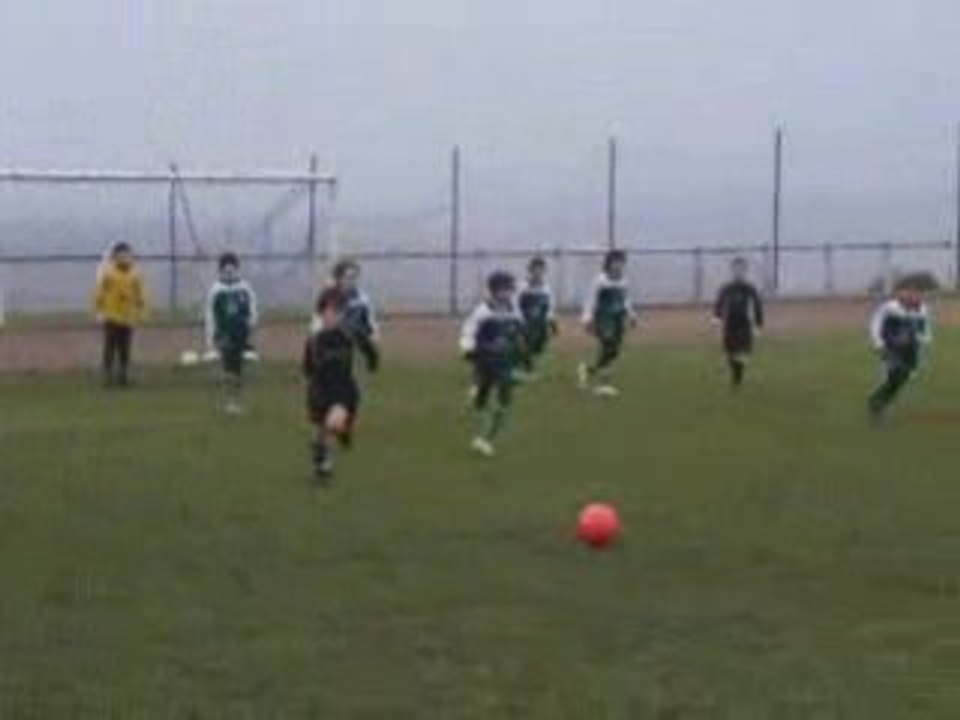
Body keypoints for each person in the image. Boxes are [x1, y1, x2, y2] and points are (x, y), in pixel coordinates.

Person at [303, 287, 376, 482]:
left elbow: (368, 348)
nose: (331, 317)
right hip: (320, 390)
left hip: (343, 389)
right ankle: (324, 459)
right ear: (320, 313)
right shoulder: (314, 338)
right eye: (327, 312)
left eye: (337, 312)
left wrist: (371, 362)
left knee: (331, 425)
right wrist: (311, 383)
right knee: (318, 436)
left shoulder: (349, 333)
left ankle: (328, 459)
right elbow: (308, 368)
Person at [460, 271, 525, 457]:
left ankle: (487, 438)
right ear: (494, 291)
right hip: (486, 360)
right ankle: (477, 392)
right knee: (482, 396)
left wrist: (521, 350)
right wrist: (467, 348)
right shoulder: (483, 311)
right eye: (503, 290)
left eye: (509, 290)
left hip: (505, 362)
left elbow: (519, 328)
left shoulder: (514, 310)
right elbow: (469, 330)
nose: (507, 294)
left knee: (505, 395)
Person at [868, 280, 932, 422]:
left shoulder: (922, 309)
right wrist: (879, 343)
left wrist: (923, 339)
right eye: (908, 292)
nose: (912, 295)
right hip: (891, 349)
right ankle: (878, 407)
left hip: (911, 351)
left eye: (916, 293)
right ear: (901, 294)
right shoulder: (890, 308)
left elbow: (925, 329)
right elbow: (876, 323)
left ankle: (877, 400)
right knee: (894, 374)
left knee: (905, 377)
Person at [577, 249, 637, 396]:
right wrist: (587, 319)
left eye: (621, 263)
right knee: (608, 343)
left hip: (617, 319)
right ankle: (604, 383)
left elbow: (626, 300)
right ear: (608, 263)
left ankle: (587, 369)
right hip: (603, 318)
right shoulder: (600, 280)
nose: (618, 266)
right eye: (615, 262)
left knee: (614, 350)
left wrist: (632, 315)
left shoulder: (624, 281)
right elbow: (590, 300)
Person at [205, 252, 259, 414]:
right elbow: (210, 316)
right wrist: (211, 339)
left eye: (232, 268)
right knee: (229, 368)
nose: (229, 272)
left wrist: (250, 326)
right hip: (224, 335)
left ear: (237, 269)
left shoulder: (245, 288)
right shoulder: (216, 291)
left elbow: (253, 309)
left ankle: (237, 399)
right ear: (220, 270)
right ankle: (231, 400)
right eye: (226, 269)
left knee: (238, 368)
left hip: (241, 334)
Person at [313, 259, 381, 373]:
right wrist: (317, 332)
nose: (351, 281)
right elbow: (318, 317)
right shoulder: (328, 295)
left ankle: (370, 355)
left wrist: (374, 333)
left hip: (352, 333)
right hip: (329, 335)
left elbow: (369, 318)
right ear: (339, 278)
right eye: (347, 277)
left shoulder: (361, 297)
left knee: (356, 316)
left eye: (354, 277)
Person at [93, 242, 146, 387]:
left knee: (125, 348)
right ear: (115, 257)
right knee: (110, 346)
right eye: (121, 255)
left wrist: (140, 312)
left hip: (127, 317)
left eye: (127, 255)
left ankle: (123, 375)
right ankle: (107, 376)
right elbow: (99, 293)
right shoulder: (108, 274)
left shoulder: (135, 274)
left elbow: (140, 295)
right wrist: (99, 311)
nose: (124, 258)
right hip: (111, 316)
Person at [712, 257, 765, 389]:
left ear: (745, 271)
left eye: (741, 269)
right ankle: (736, 375)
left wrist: (758, 324)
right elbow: (719, 303)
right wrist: (716, 317)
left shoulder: (749, 288)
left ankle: (737, 378)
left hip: (744, 324)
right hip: (730, 324)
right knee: (730, 353)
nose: (738, 271)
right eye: (736, 269)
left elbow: (757, 305)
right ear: (732, 270)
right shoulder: (727, 288)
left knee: (743, 353)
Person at [516, 255, 558, 377]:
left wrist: (552, 321)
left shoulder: (546, 288)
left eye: (541, 269)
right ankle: (527, 368)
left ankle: (522, 362)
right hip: (525, 321)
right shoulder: (522, 286)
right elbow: (515, 303)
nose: (538, 272)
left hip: (539, 322)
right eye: (535, 269)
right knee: (525, 344)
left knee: (539, 346)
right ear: (530, 270)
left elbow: (549, 306)